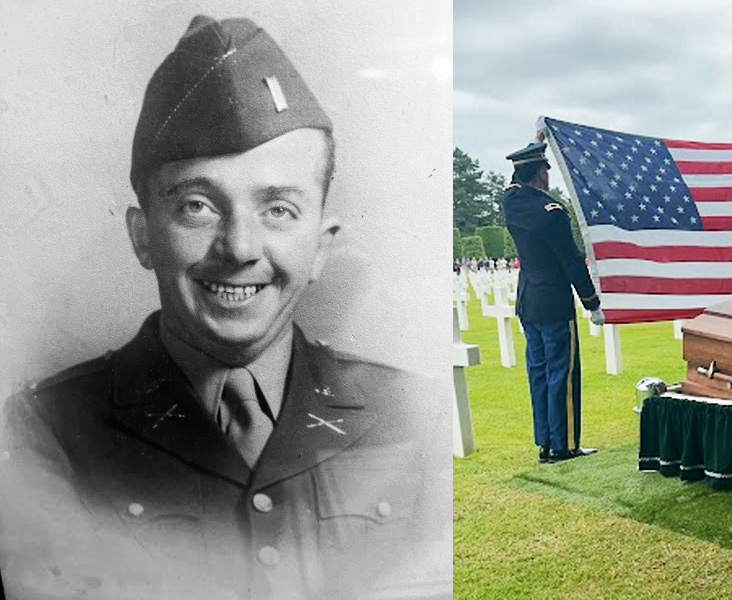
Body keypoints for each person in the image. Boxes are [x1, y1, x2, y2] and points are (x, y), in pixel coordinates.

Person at [0, 16, 447, 599]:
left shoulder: (417, 417)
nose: (238, 248)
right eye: (197, 206)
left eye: (278, 209)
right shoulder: (47, 430)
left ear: (321, 245)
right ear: (142, 235)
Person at [503, 141, 603, 464]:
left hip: (528, 301)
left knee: (540, 374)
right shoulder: (552, 213)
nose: (548, 177)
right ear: (538, 174)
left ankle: (545, 443)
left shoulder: (512, 203)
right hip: (555, 303)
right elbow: (571, 261)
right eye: (545, 170)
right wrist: (591, 301)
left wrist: (537, 141)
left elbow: (516, 188)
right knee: (563, 373)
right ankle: (564, 446)